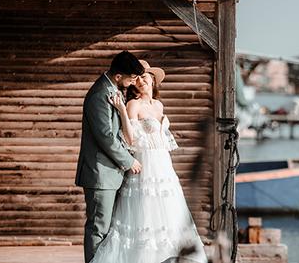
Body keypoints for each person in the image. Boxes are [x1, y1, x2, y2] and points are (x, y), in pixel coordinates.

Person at [89, 60, 208, 263]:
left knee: (170, 211)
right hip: (146, 162)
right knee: (146, 211)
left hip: (163, 164)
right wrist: (122, 112)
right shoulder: (133, 104)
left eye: (145, 77)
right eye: (138, 78)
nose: (141, 81)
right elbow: (130, 139)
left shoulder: (159, 105)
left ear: (153, 80)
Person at [75, 51, 145, 263]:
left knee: (107, 229)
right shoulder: (99, 95)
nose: (134, 82)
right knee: (98, 228)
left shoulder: (113, 89)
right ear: (118, 76)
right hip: (100, 174)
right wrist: (128, 161)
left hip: (110, 174)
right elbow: (105, 137)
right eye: (132, 78)